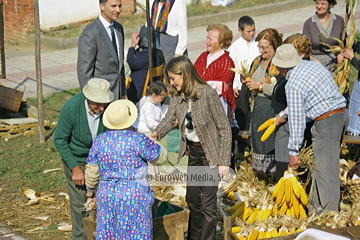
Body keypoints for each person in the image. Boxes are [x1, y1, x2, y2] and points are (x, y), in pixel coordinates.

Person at [151, 56, 232, 240]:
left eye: (173, 78)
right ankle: (194, 237)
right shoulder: (178, 96)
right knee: (192, 199)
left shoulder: (207, 94)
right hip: (194, 153)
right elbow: (169, 119)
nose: (171, 83)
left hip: (210, 154)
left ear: (185, 74)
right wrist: (156, 134)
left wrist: (223, 162)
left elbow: (224, 128)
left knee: (208, 205)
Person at [272, 44, 349, 214]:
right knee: (322, 168)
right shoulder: (312, 65)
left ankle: (329, 218)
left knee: (325, 172)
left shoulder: (292, 84)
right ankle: (315, 210)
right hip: (341, 115)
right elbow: (311, 99)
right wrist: (283, 114)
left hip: (326, 122)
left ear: (281, 68)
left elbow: (297, 120)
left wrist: (293, 151)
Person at [85, 100, 165, 239]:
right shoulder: (138, 139)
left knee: (110, 234)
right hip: (134, 196)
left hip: (108, 196)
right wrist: (154, 141)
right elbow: (160, 158)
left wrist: (90, 192)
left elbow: (92, 170)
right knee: (137, 234)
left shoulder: (99, 140)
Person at [54, 78, 114, 240]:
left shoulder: (110, 109)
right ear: (88, 98)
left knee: (104, 202)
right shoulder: (72, 108)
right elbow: (60, 140)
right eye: (97, 104)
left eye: (104, 104)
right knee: (80, 205)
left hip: (102, 162)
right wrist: (75, 168)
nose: (102, 108)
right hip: (78, 160)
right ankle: (81, 237)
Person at [243, 28, 282, 183]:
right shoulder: (257, 61)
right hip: (258, 106)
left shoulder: (279, 64)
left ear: (275, 46)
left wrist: (260, 86)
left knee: (269, 142)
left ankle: (273, 178)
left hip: (272, 107)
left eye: (265, 48)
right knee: (259, 141)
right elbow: (251, 79)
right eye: (259, 47)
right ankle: (262, 178)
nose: (261, 51)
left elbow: (280, 89)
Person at [272, 33, 314, 182]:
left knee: (292, 165)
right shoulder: (290, 71)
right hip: (286, 121)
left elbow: (297, 107)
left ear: (301, 54)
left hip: (295, 125)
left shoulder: (300, 74)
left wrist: (283, 115)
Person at [77, 0, 126, 100]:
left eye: (120, 6)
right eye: (113, 6)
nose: (118, 10)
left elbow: (119, 67)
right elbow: (84, 73)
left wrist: (124, 92)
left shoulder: (119, 28)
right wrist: (91, 100)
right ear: (101, 6)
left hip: (118, 96)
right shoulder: (90, 34)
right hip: (100, 98)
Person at [228, 16, 260, 159]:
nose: (252, 34)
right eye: (248, 31)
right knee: (242, 115)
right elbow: (231, 67)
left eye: (253, 30)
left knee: (256, 114)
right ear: (240, 30)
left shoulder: (258, 43)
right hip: (240, 86)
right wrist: (234, 85)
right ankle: (243, 147)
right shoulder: (235, 47)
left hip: (256, 84)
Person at [194, 24, 236, 118]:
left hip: (217, 107)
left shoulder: (227, 61)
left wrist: (205, 85)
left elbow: (224, 86)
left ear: (221, 43)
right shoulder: (203, 56)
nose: (206, 42)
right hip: (199, 104)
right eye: (207, 38)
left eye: (210, 39)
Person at [127, 25, 165, 104]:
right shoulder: (157, 53)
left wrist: (132, 46)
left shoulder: (147, 54)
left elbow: (131, 63)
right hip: (148, 87)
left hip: (137, 91)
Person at [303, 0, 344, 71]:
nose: (319, 6)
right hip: (316, 64)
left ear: (330, 5)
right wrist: (313, 59)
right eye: (317, 3)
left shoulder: (339, 20)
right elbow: (304, 49)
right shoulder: (308, 24)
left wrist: (342, 54)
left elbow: (344, 43)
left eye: (323, 4)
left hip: (336, 62)